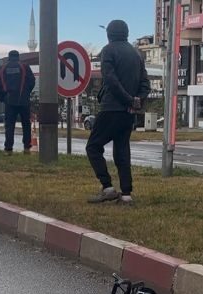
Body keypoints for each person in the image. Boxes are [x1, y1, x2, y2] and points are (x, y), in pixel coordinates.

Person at [86, 20, 150, 204]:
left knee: (93, 146)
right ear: (127, 33)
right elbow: (145, 84)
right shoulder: (137, 54)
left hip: (112, 108)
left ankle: (107, 187)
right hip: (128, 112)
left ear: (109, 34)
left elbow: (111, 81)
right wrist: (136, 101)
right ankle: (127, 194)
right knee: (122, 150)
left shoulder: (108, 50)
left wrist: (128, 99)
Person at [0, 50, 36, 154]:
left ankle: (8, 148)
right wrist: (25, 94)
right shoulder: (25, 67)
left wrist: (3, 98)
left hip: (9, 102)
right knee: (26, 124)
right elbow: (32, 81)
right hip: (24, 101)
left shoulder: (2, 69)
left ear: (9, 57)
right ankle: (26, 147)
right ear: (18, 57)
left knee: (9, 125)